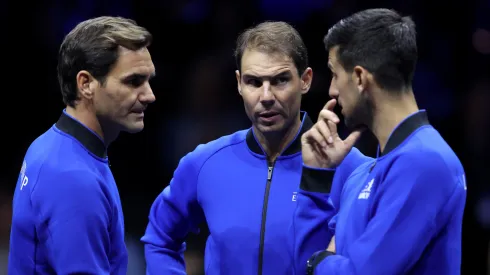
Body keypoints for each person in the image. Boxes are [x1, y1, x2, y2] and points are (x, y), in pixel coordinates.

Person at [141, 21, 340, 275]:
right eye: (254, 82)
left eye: (280, 80)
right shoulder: (205, 162)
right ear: (239, 83)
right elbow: (160, 237)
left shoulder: (348, 167)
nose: (266, 96)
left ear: (305, 80)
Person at [291, 8, 467, 275]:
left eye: (335, 74)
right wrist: (316, 177)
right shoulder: (362, 175)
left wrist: (319, 263)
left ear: (360, 78)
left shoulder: (426, 162)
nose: (332, 91)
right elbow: (305, 265)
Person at [8, 16, 155, 275]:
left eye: (148, 80)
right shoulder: (73, 177)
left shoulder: (53, 145)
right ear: (86, 84)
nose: (149, 95)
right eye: (133, 81)